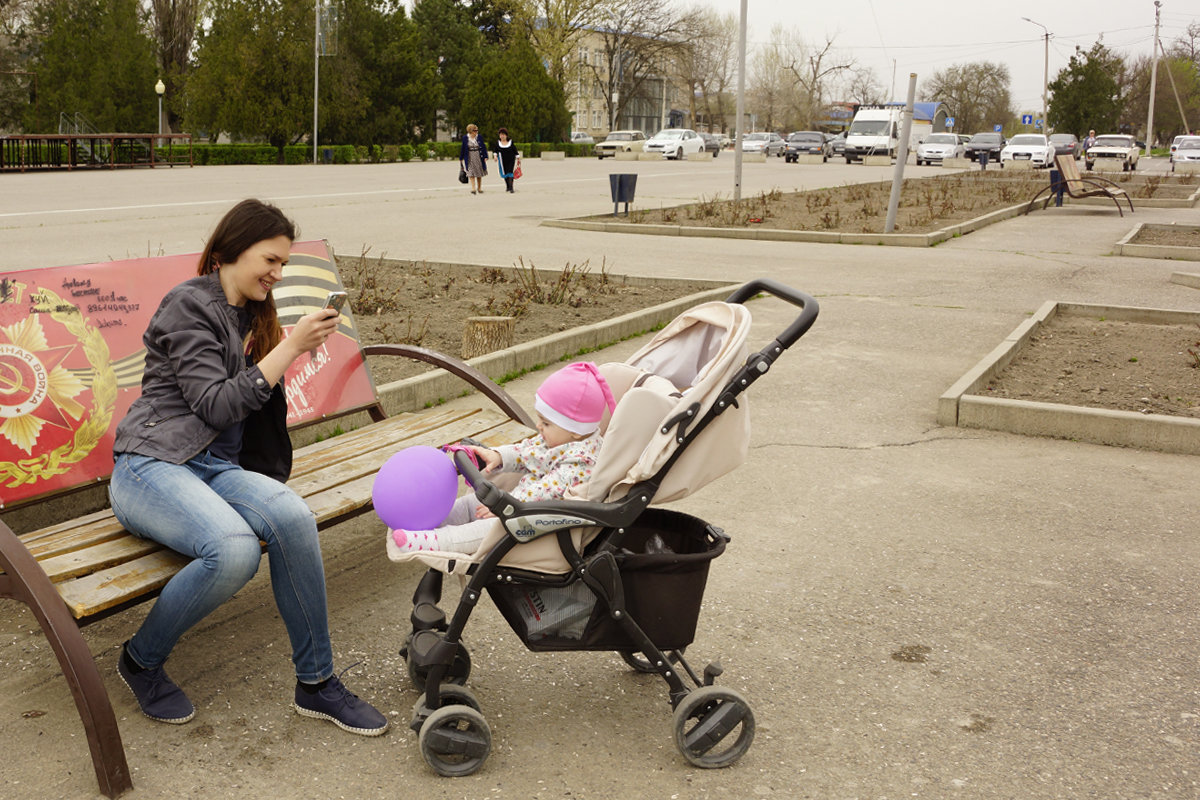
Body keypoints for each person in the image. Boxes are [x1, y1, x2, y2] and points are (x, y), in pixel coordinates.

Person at [108, 199, 388, 736]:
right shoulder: (187, 305)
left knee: (294, 519)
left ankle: (317, 682)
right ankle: (141, 660)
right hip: (150, 464)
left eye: (284, 264)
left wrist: (278, 348)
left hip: (213, 466)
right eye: (270, 260)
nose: (277, 274)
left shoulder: (251, 317)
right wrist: (289, 351)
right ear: (230, 251)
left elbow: (250, 411)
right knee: (233, 550)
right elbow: (213, 403)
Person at [391, 362, 615, 555]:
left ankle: (436, 542)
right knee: (472, 503)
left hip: (538, 524)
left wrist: (504, 507)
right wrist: (499, 456)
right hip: (521, 505)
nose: (538, 427)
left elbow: (547, 490)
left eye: (546, 423)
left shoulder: (581, 461)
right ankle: (431, 521)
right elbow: (528, 450)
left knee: (489, 530)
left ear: (575, 429)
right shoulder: (560, 439)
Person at [460, 123, 488, 195]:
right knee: (471, 172)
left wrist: (485, 156)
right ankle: (473, 188)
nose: (476, 132)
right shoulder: (465, 138)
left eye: (477, 130)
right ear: (470, 131)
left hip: (478, 156)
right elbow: (463, 148)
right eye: (475, 130)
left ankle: (479, 188)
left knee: (479, 173)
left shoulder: (479, 137)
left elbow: (483, 147)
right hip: (469, 156)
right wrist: (461, 158)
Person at [494, 127, 521, 193]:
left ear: (506, 135)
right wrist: (495, 156)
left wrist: (518, 157)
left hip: (511, 160)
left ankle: (511, 188)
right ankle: (507, 186)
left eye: (503, 134)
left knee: (510, 173)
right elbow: (495, 150)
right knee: (505, 173)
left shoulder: (510, 142)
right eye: (500, 135)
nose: (502, 136)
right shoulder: (498, 143)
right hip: (502, 160)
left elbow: (515, 150)